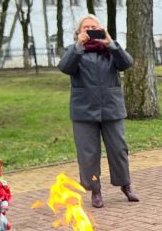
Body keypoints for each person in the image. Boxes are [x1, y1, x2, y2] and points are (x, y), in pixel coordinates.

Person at [58, 14, 138, 208]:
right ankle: (95, 190)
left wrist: (110, 42)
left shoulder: (110, 50)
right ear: (79, 32)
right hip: (84, 111)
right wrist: (78, 46)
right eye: (86, 28)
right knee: (88, 154)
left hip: (111, 107)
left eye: (94, 27)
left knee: (119, 149)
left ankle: (125, 185)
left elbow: (127, 63)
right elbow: (65, 67)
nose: (90, 30)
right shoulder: (73, 50)